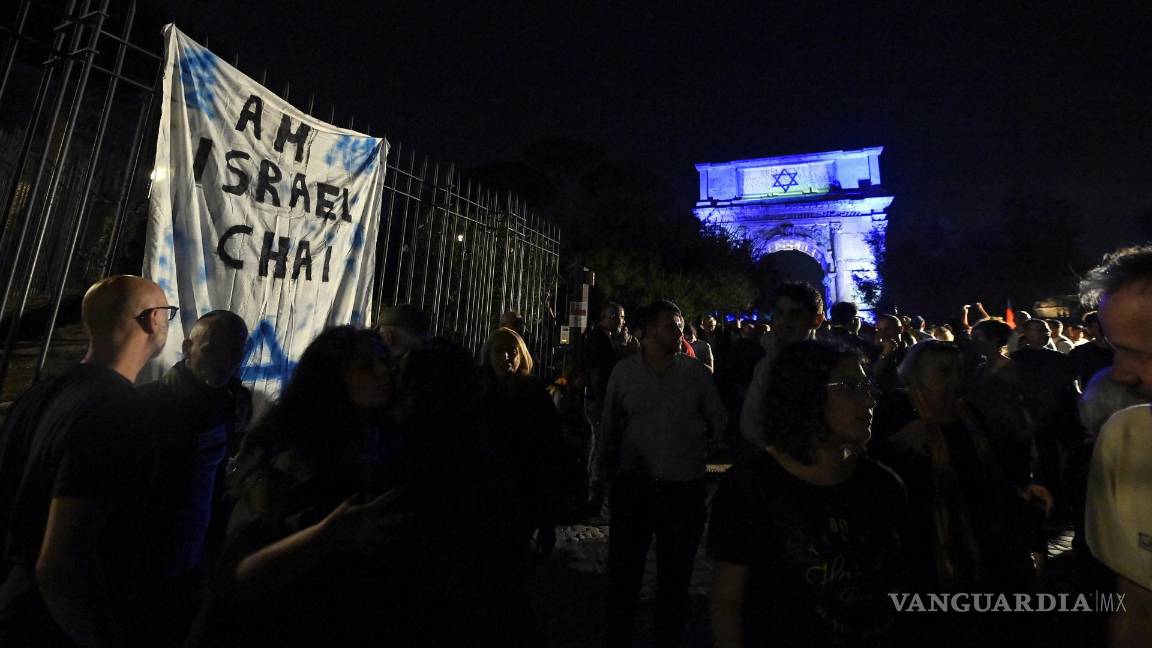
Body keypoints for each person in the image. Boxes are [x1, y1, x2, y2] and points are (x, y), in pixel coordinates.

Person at [0, 276, 173, 646]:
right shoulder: (117, 408)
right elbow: (62, 563)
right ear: (153, 319)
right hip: (52, 627)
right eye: (168, 313)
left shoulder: (38, 394)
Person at [709, 341, 910, 647]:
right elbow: (728, 598)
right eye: (849, 386)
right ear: (806, 394)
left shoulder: (883, 485)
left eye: (867, 385)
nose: (868, 398)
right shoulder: (754, 485)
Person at [872, 342, 1049, 598]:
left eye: (959, 371)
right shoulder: (897, 407)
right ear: (915, 374)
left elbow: (990, 465)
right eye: (944, 372)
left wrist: (1019, 490)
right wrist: (898, 441)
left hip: (979, 523)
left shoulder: (968, 411)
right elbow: (874, 460)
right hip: (924, 530)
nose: (955, 380)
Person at [600, 300, 726, 648]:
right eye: (672, 326)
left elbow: (720, 422)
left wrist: (702, 436)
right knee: (624, 575)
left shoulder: (696, 373)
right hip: (634, 486)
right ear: (648, 331)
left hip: (682, 489)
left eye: (682, 325)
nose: (681, 333)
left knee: (676, 578)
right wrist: (606, 475)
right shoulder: (623, 373)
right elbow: (609, 426)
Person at [137, 310, 251, 643]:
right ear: (188, 347)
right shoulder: (149, 406)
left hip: (193, 562)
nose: (225, 361)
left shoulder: (230, 402)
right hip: (148, 565)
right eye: (213, 349)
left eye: (235, 352)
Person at [1080, 244, 1152, 647]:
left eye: (1137, 353)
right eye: (1114, 348)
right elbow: (1138, 602)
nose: (1119, 373)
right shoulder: (1126, 441)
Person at [479, 327, 563, 557]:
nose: (506, 356)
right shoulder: (478, 391)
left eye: (512, 351)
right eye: (499, 351)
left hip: (525, 483)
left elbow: (550, 444)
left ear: (522, 354)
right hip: (488, 485)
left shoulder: (535, 392)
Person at [741, 282, 825, 448]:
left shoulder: (832, 366)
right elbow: (749, 424)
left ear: (817, 320)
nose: (784, 321)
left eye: (795, 314)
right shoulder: (764, 363)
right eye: (779, 313)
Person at [583, 302, 626, 516]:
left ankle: (596, 496)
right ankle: (594, 497)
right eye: (621, 317)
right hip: (599, 402)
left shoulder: (602, 338)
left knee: (600, 448)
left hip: (600, 400)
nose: (623, 322)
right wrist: (603, 402)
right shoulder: (599, 339)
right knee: (599, 449)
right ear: (611, 317)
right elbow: (597, 372)